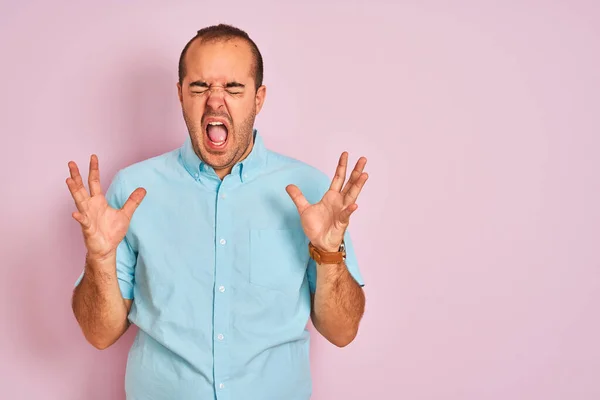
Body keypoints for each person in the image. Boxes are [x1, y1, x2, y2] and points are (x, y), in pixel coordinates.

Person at [68, 23, 368, 400]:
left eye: (233, 87)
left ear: (258, 99)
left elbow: (342, 333)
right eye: (199, 87)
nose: (214, 101)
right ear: (180, 95)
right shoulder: (132, 190)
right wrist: (99, 256)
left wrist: (328, 254)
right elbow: (99, 334)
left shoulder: (310, 192)